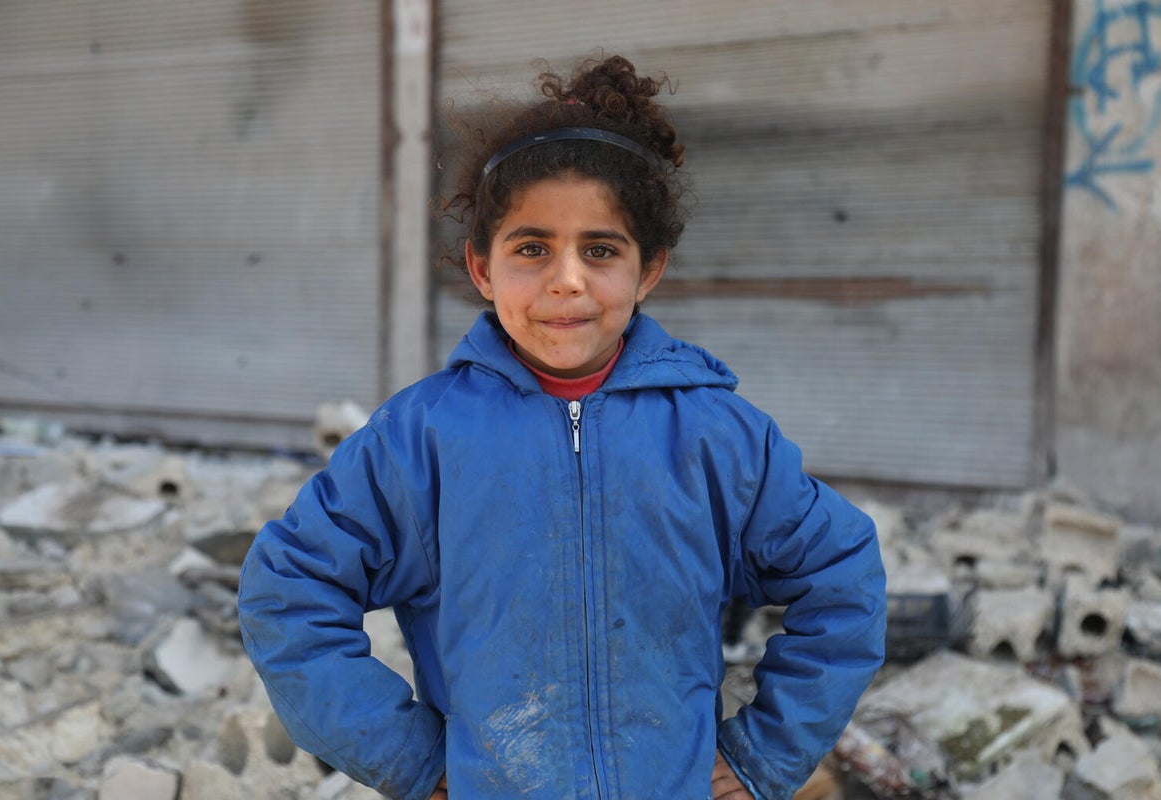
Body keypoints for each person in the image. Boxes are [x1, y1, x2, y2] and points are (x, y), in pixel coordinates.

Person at [238, 54, 886, 800]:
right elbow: (288, 591)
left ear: (649, 270)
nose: (567, 279)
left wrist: (762, 756)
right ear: (483, 269)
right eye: (532, 248)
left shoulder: (717, 437)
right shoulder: (420, 442)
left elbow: (843, 580)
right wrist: (409, 758)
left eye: (600, 250)